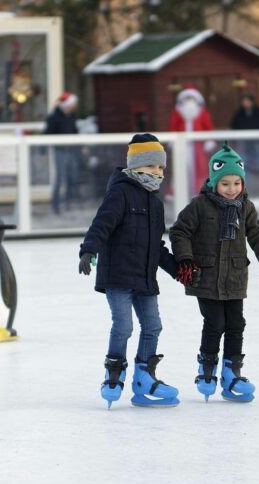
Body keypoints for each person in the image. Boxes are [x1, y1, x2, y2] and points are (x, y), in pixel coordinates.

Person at [170, 143, 259, 403]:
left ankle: (231, 372)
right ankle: (207, 368)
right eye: (225, 183)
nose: (232, 189)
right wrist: (186, 260)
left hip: (235, 276)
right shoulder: (200, 205)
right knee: (215, 323)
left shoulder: (245, 206)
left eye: (237, 182)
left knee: (236, 324)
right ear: (214, 182)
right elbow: (179, 232)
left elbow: (258, 235)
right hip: (206, 276)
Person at [78, 133, 180, 409]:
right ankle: (114, 372)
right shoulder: (120, 192)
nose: (157, 173)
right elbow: (102, 224)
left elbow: (157, 246)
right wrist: (89, 250)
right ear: (135, 167)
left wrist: (177, 270)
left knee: (153, 326)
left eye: (161, 168)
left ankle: (144, 377)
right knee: (123, 325)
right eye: (151, 167)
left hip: (145, 277)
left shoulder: (156, 204)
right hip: (119, 275)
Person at [168, 86, 215, 194]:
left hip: (198, 145)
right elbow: (173, 127)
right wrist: (173, 140)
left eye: (191, 98)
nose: (189, 101)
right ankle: (178, 192)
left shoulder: (202, 113)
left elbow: (208, 127)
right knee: (180, 167)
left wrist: (209, 140)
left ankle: (200, 190)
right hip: (181, 144)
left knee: (200, 168)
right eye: (187, 98)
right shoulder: (177, 113)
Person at [230, 94, 259, 196]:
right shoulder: (239, 113)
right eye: (244, 101)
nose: (246, 103)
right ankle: (244, 191)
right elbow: (233, 126)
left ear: (252, 102)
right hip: (244, 144)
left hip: (257, 144)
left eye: (247, 101)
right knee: (244, 168)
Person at [45, 91, 80, 214]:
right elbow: (47, 134)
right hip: (59, 151)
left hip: (71, 150)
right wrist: (43, 151)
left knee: (72, 177)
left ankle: (68, 203)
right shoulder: (54, 117)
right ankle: (56, 205)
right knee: (59, 178)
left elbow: (75, 131)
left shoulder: (72, 116)